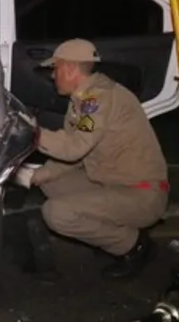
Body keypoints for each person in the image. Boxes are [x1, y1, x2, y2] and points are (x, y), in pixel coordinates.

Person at [13, 39, 169, 279]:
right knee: (51, 183)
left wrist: (34, 134)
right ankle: (108, 232)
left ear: (69, 68)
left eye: (55, 69)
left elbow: (75, 148)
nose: (54, 76)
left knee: (56, 213)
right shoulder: (85, 99)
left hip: (141, 193)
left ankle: (134, 245)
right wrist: (35, 176)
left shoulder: (95, 101)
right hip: (113, 182)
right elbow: (76, 154)